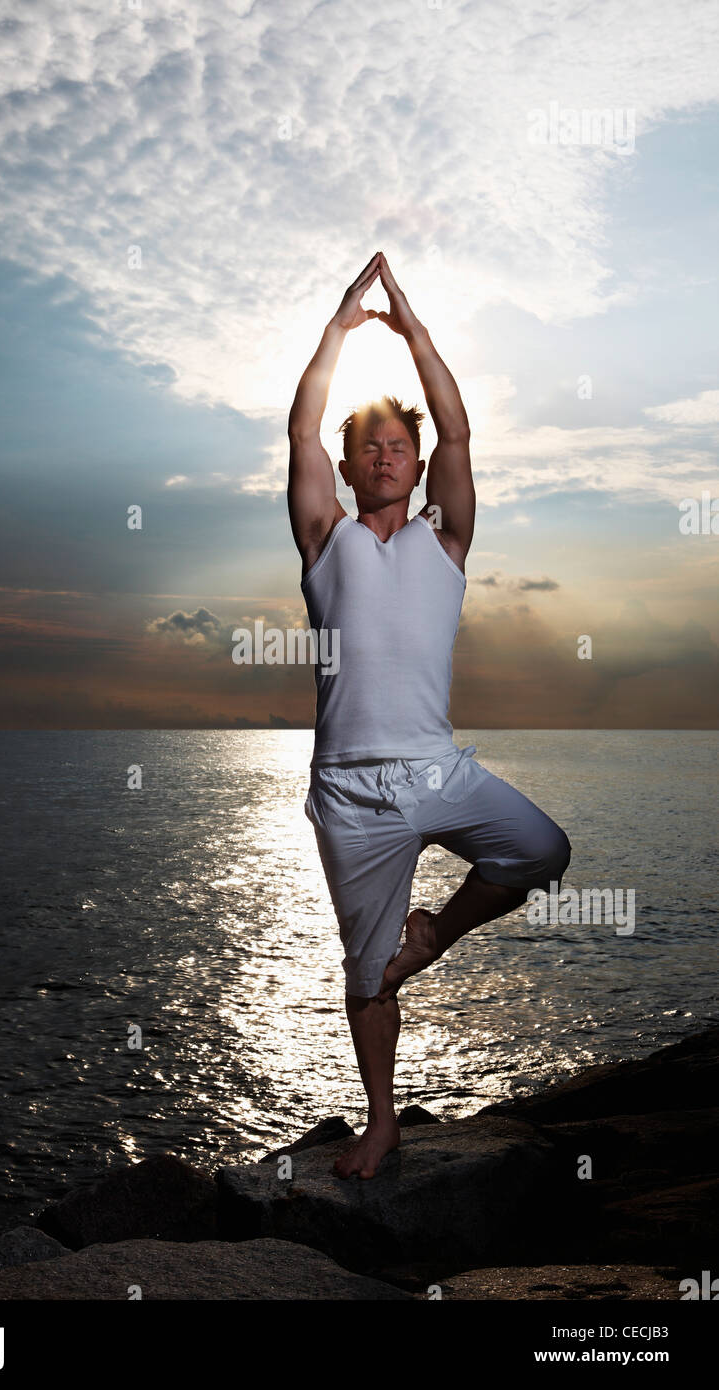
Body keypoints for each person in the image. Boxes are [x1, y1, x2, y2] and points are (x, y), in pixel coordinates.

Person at [287, 251, 571, 1180]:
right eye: (366, 443)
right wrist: (336, 330)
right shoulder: (324, 540)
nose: (383, 453)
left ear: (413, 464)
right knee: (363, 976)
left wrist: (410, 328)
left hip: (435, 771)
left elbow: (458, 431)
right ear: (347, 465)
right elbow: (297, 428)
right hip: (350, 795)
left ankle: (434, 936)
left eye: (396, 444)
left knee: (541, 851)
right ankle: (382, 1121)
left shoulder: (444, 543)